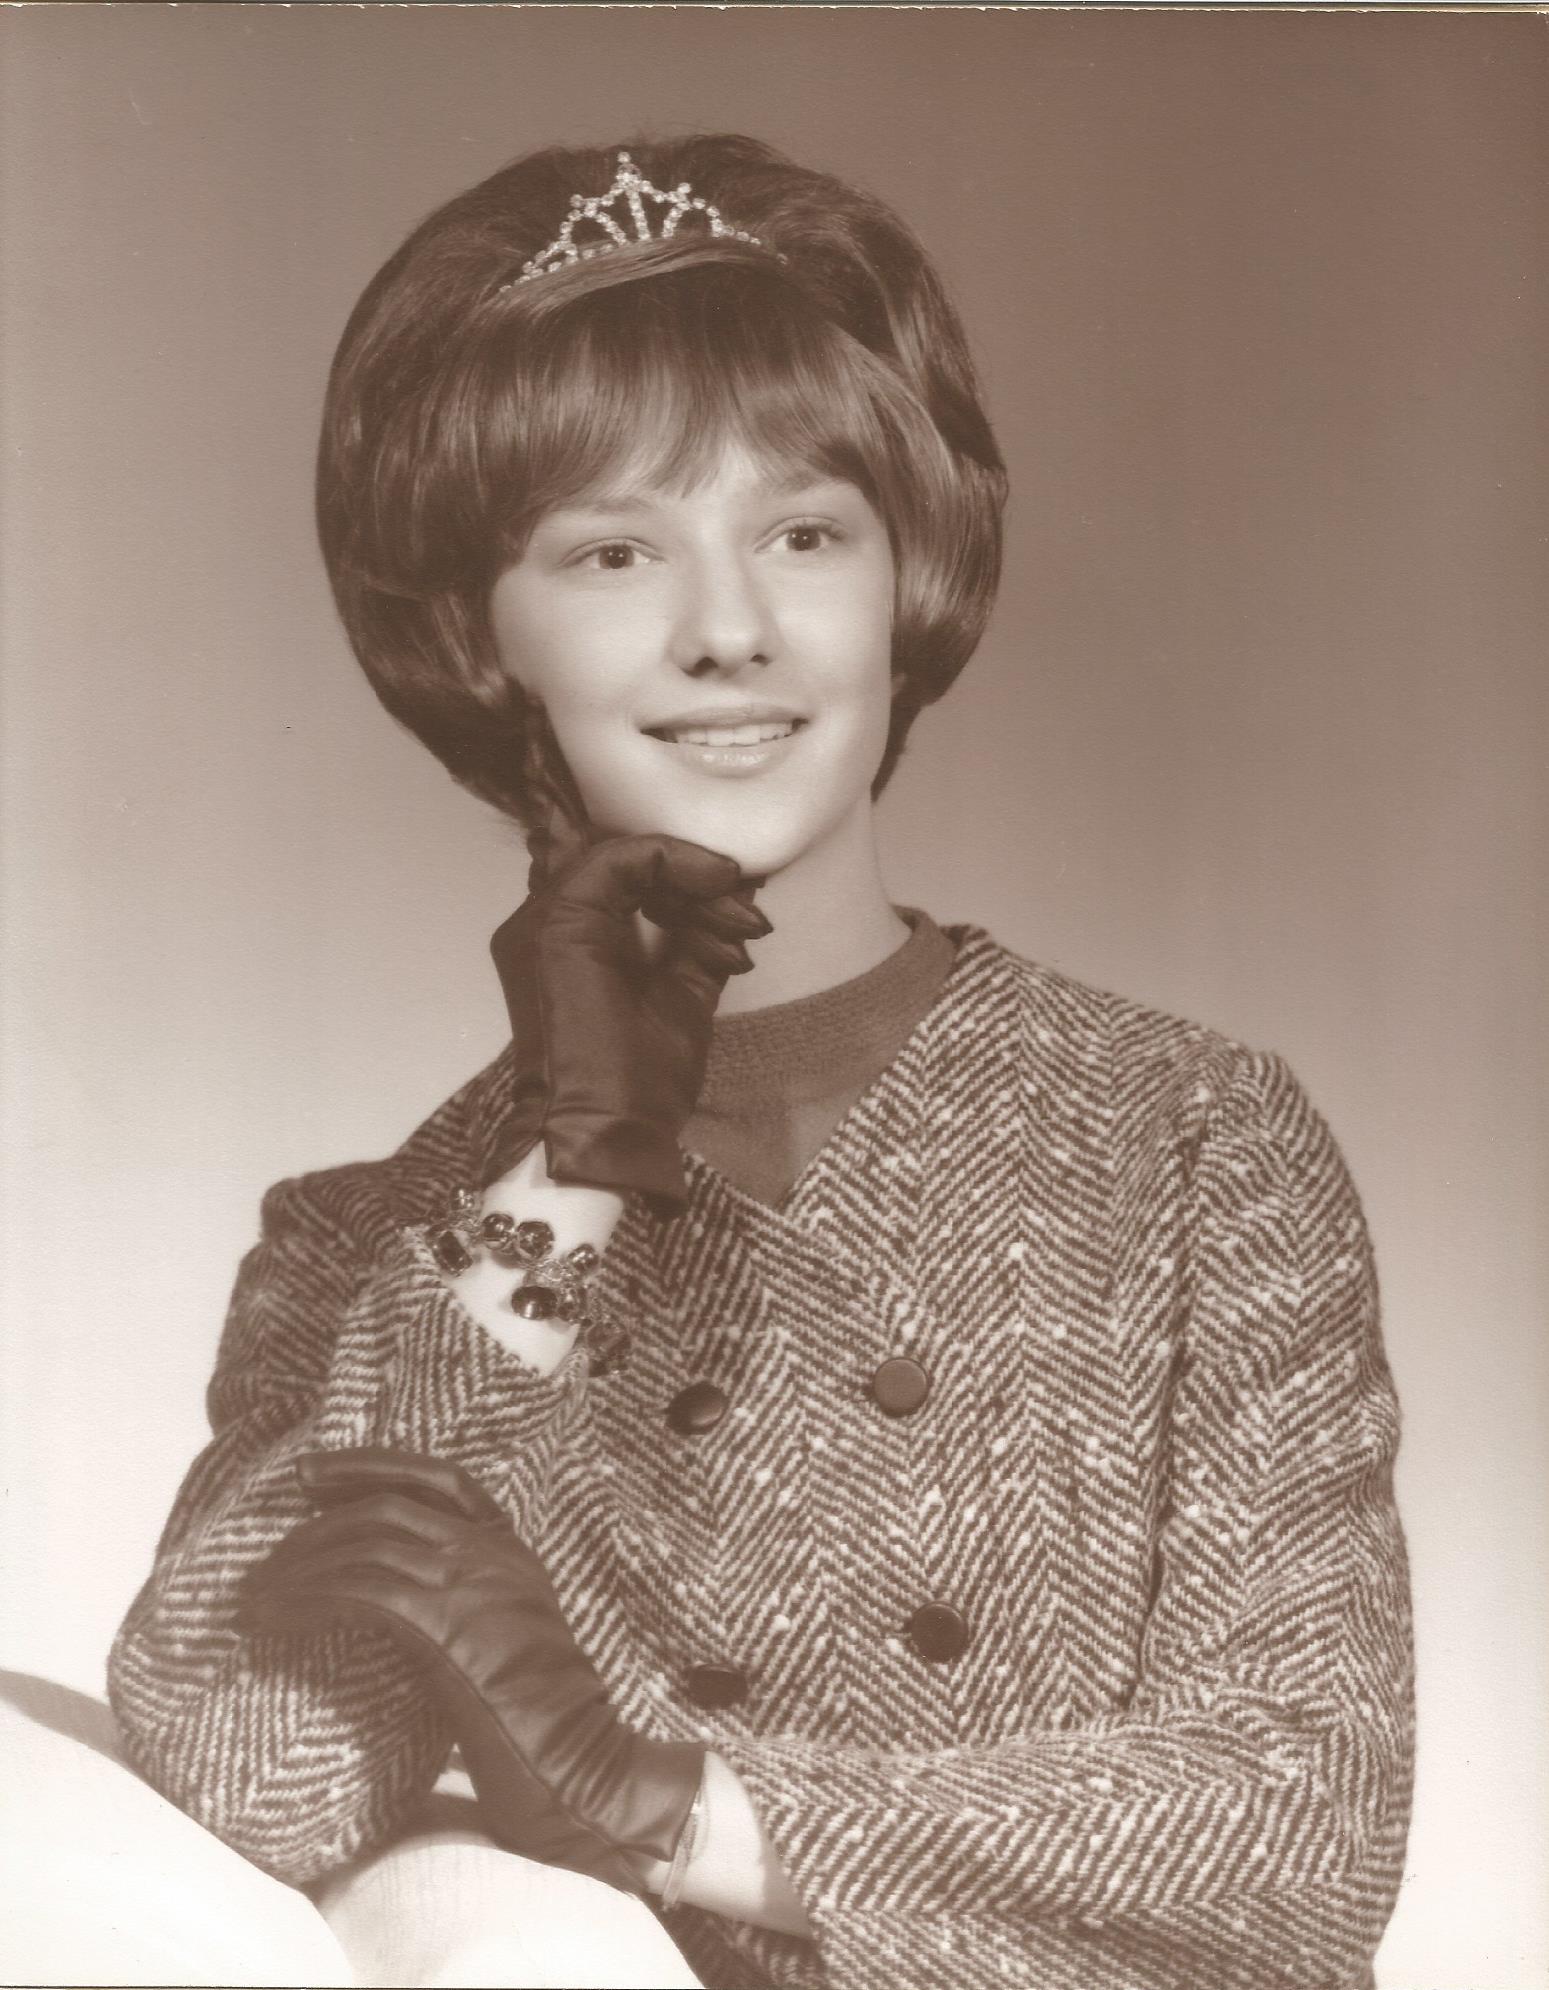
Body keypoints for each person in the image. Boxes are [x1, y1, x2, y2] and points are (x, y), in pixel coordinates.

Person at [108, 133, 1416, 1990]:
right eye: (612, 550)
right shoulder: (378, 1249)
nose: (727, 631)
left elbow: (1301, 1826)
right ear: (480, 634)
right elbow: (259, 1775)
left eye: (803, 533)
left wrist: (657, 1799)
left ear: (904, 582)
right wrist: (568, 1157)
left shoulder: (1194, 1135)